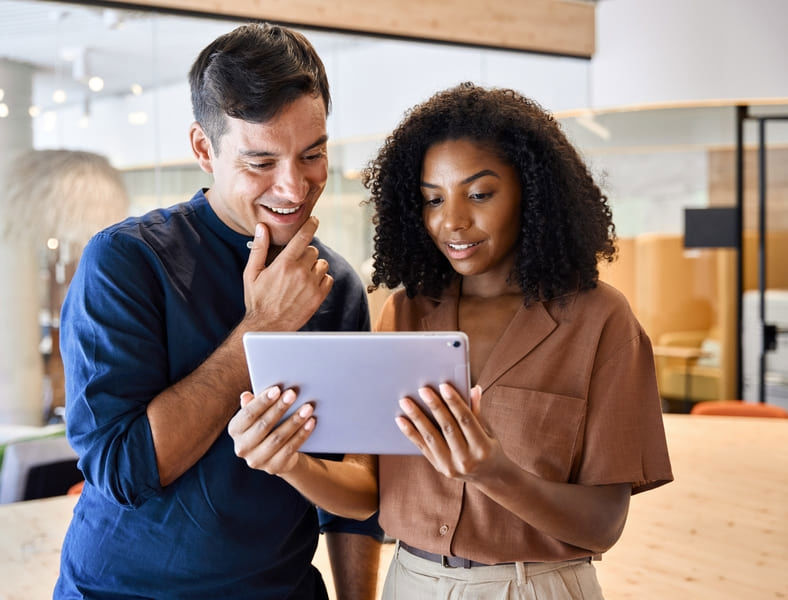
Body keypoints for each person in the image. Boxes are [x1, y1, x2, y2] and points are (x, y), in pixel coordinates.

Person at [228, 83, 673, 599]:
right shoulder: (406, 312)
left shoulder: (600, 321)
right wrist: (291, 464)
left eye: (480, 194)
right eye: (432, 199)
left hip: (534, 586)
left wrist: (494, 473)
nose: (453, 221)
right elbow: (366, 493)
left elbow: (603, 525)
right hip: (411, 583)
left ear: (531, 190)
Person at [54, 23, 382, 600]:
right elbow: (124, 471)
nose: (294, 186)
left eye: (313, 154)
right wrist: (263, 329)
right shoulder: (127, 261)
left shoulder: (339, 287)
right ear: (204, 149)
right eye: (260, 162)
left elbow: (354, 501)